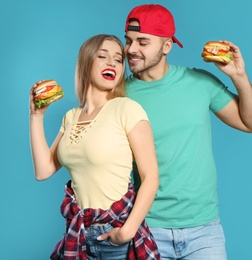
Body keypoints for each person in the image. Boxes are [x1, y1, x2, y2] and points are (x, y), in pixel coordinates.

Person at [99, 4, 252, 260]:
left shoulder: (199, 82)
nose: (131, 50)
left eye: (143, 42)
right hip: (146, 227)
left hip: (204, 232)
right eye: (129, 40)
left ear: (167, 46)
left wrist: (239, 76)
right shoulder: (118, 95)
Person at [29, 34, 161, 260]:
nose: (112, 63)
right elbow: (44, 170)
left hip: (115, 237)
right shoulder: (71, 117)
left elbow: (150, 177)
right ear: (86, 62)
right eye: (102, 56)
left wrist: (126, 233)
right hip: (79, 236)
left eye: (118, 60)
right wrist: (36, 116)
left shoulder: (126, 109)